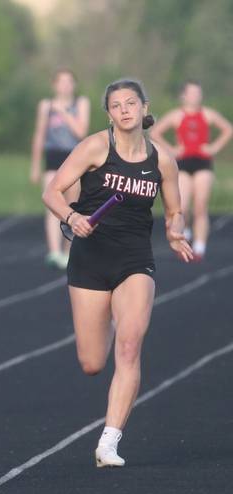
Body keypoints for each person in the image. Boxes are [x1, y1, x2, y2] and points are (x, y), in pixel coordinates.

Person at [43, 78, 192, 467]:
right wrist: (73, 218)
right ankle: (108, 317)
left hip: (135, 259)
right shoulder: (95, 146)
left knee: (129, 346)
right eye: (116, 105)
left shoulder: (161, 159)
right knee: (92, 362)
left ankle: (108, 442)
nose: (125, 110)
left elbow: (175, 209)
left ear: (145, 108)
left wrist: (175, 232)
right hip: (90, 258)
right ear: (108, 113)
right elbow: (52, 192)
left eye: (131, 103)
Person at [149, 80, 232, 261]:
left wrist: (214, 147)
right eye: (192, 93)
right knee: (183, 206)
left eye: (198, 93)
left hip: (203, 162)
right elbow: (155, 132)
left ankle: (200, 247)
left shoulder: (208, 114)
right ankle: (185, 236)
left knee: (201, 206)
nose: (195, 96)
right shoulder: (176, 115)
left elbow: (228, 129)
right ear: (184, 95)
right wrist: (171, 149)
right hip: (183, 163)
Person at [31, 69, 90, 269]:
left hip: (73, 157)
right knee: (51, 203)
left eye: (69, 82)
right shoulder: (46, 106)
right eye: (61, 82)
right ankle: (54, 251)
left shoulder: (80, 103)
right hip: (53, 157)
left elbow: (81, 131)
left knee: (72, 205)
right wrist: (35, 165)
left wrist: (63, 112)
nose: (65, 85)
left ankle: (68, 250)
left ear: (74, 85)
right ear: (54, 85)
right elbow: (39, 135)